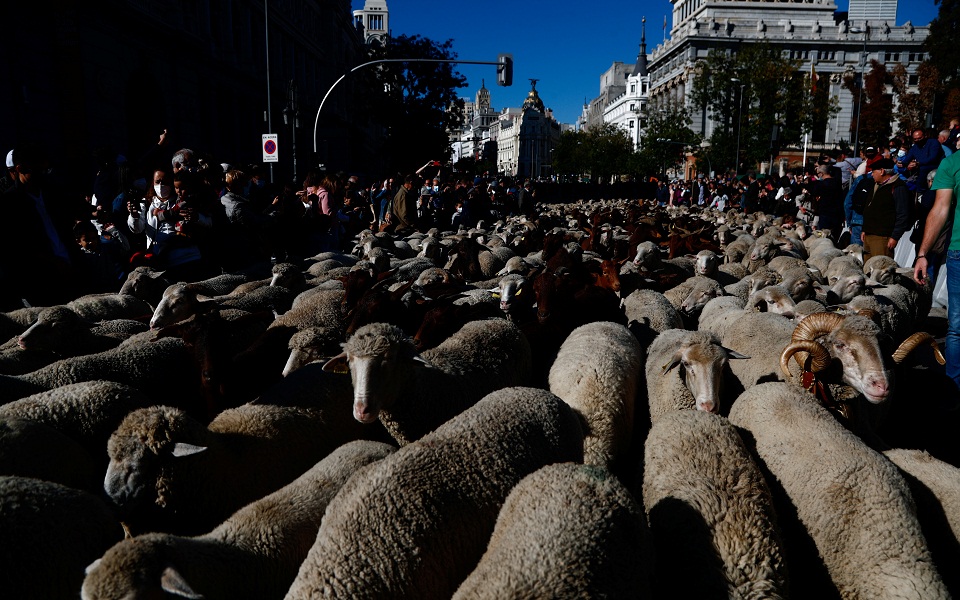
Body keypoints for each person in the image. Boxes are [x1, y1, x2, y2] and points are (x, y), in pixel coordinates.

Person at [1, 143, 90, 307]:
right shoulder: (10, 204)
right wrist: (54, 263)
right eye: (38, 170)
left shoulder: (53, 194)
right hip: (41, 280)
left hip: (72, 271)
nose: (43, 174)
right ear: (20, 169)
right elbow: (19, 246)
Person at [914, 151, 960, 398]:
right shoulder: (951, 163)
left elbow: (941, 208)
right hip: (958, 252)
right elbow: (940, 209)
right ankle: (953, 391)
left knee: (957, 329)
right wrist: (922, 254)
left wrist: (923, 253)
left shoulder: (951, 162)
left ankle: (953, 392)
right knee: (957, 328)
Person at [859, 158, 912, 260]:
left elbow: (902, 214)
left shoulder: (898, 187)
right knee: (867, 269)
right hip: (869, 235)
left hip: (883, 238)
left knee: (880, 269)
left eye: (874, 171)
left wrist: (895, 237)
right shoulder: (876, 186)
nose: (872, 174)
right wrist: (865, 229)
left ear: (882, 171)